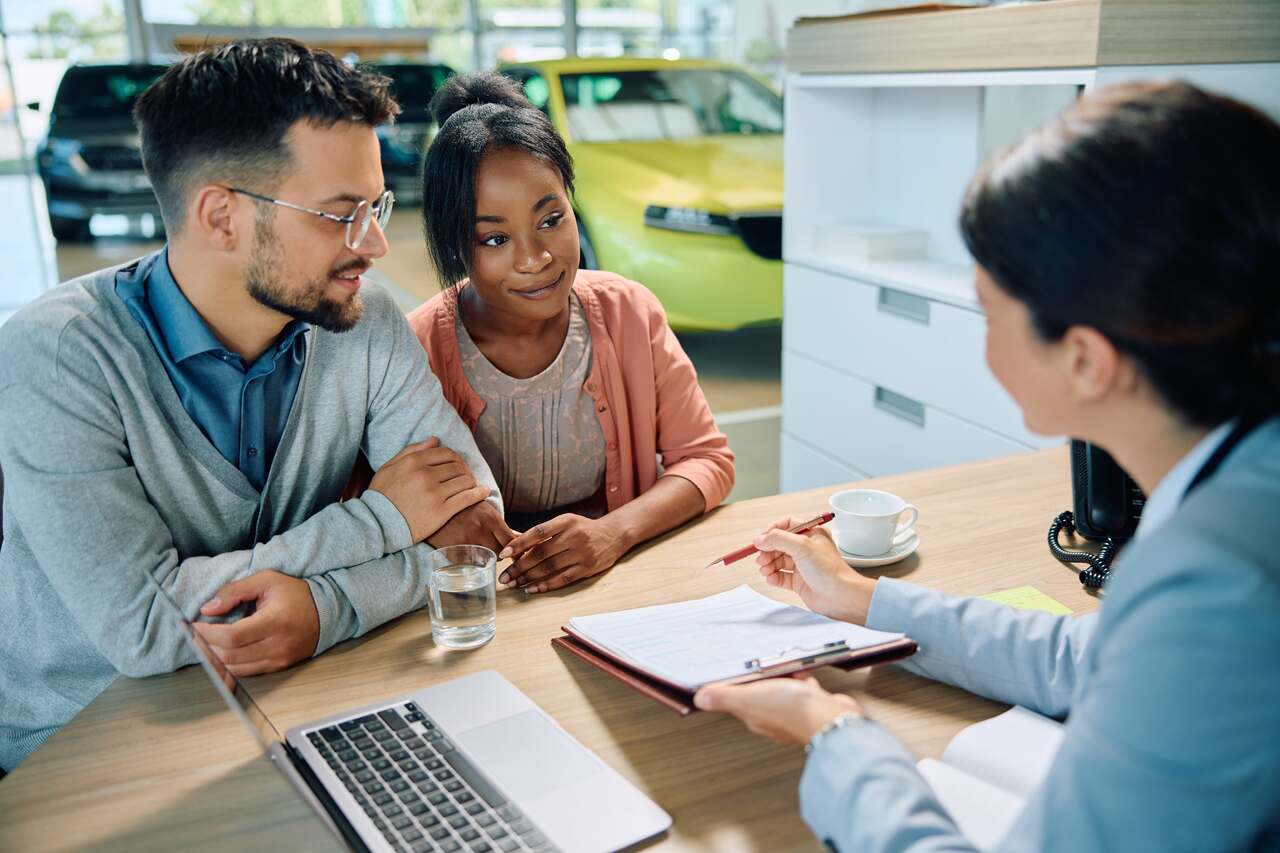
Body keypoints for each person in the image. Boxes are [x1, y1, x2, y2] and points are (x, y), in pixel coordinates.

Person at [693, 81, 1280, 850]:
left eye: (987, 309)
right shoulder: (1242, 477)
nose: (981, 339)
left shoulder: (1215, 585)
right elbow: (1088, 657)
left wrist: (835, 734)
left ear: (1084, 359)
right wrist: (863, 600)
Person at [0, 39, 509, 773]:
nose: (373, 245)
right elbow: (146, 626)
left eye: (376, 208)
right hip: (75, 749)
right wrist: (387, 520)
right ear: (220, 216)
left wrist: (321, 612)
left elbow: (474, 523)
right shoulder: (55, 359)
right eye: (340, 215)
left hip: (281, 711)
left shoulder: (362, 319)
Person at [405, 73, 735, 595]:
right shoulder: (416, 348)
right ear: (454, 245)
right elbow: (374, 503)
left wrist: (612, 533)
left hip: (616, 583)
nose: (535, 259)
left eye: (551, 219)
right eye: (494, 238)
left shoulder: (629, 311)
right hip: (483, 602)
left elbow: (706, 461)